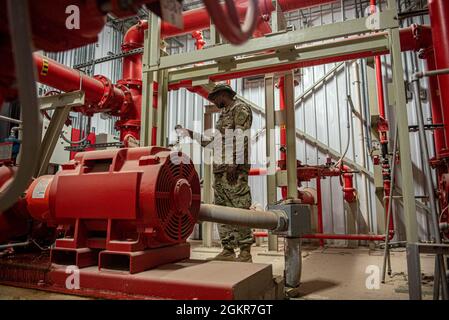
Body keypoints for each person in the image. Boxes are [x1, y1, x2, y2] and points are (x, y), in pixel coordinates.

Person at [176, 84, 254, 262]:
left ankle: (245, 251)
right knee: (223, 209)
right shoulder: (224, 114)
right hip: (220, 169)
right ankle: (227, 249)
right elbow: (212, 142)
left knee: (239, 206)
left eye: (214, 98)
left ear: (223, 94)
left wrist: (234, 162)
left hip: (233, 168)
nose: (213, 101)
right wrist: (189, 133)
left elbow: (242, 137)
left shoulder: (240, 109)